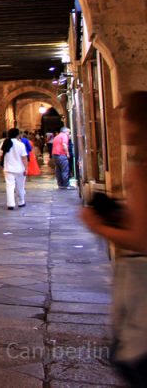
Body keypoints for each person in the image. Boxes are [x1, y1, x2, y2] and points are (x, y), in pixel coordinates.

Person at [82, 91, 147, 385]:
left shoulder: (141, 172)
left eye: (124, 118)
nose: (119, 125)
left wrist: (97, 225)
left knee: (134, 359)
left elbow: (141, 239)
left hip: (142, 284)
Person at [1, 128, 28, 210]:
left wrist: (3, 166)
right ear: (17, 135)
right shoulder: (21, 144)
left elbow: (0, 155)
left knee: (9, 186)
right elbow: (24, 158)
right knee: (20, 186)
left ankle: (10, 204)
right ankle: (21, 201)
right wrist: (26, 168)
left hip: (8, 168)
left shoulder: (4, 143)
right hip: (19, 169)